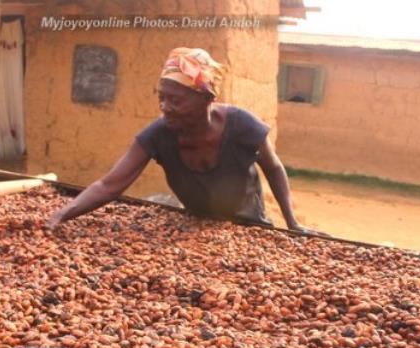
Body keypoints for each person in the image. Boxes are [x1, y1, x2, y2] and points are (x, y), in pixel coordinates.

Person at [48, 47, 326, 235]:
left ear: (206, 99)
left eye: (176, 100)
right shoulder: (157, 135)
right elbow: (109, 185)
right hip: (192, 225)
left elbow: (274, 169)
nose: (165, 107)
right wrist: (61, 215)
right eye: (161, 98)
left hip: (248, 226)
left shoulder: (242, 125)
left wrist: (292, 223)